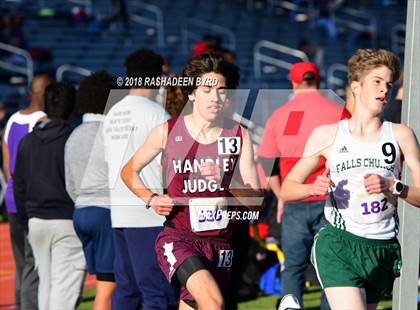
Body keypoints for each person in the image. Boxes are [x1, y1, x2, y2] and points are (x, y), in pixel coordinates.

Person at [120, 53, 263, 310]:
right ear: (192, 94)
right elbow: (129, 171)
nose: (215, 97)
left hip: (221, 244)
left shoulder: (239, 135)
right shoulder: (168, 131)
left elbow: (255, 202)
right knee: (212, 302)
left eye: (221, 90)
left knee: (197, 305)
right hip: (179, 238)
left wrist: (225, 180)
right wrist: (151, 198)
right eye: (207, 89)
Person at [280, 49, 420, 310]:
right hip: (339, 243)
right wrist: (313, 187)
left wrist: (394, 186)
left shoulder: (402, 135)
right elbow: (287, 189)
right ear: (356, 87)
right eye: (376, 82)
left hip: (382, 247)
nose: (384, 90)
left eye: (389, 84)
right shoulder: (327, 135)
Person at [258, 61, 349, 309]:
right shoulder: (339, 109)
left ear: (293, 82)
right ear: (318, 80)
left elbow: (267, 166)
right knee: (330, 266)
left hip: (295, 200)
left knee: (294, 266)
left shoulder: (279, 115)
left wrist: (281, 197)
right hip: (333, 200)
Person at [102, 48, 177, 310]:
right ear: (157, 77)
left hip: (120, 212)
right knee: (158, 292)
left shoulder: (112, 114)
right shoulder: (156, 114)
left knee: (127, 292)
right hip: (149, 213)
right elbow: (169, 165)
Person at [13, 82, 86, 310]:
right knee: (64, 291)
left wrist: (28, 219)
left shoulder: (27, 141)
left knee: (45, 286)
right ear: (73, 108)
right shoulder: (73, 139)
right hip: (65, 220)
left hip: (36, 222)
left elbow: (19, 185)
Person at [65, 71, 116, 310]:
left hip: (81, 211)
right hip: (105, 211)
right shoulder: (111, 132)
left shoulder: (74, 135)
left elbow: (70, 183)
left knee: (104, 285)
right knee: (110, 288)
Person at [2, 74, 52, 310]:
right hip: (30, 200)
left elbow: (7, 165)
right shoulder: (42, 121)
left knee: (22, 263)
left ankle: (21, 305)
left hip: (12, 198)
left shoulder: (12, 119)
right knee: (34, 264)